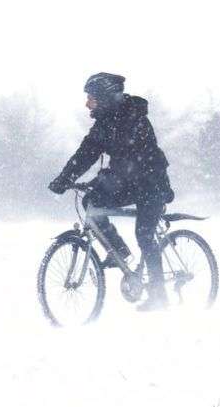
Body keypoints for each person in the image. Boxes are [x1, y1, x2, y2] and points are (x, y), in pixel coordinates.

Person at [48, 72, 175, 312]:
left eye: (91, 98)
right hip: (130, 184)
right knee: (91, 203)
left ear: (105, 97)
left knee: (145, 234)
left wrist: (102, 180)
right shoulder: (105, 123)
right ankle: (119, 251)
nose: (87, 103)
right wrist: (64, 179)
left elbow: (131, 163)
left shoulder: (133, 119)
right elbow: (85, 153)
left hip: (152, 184)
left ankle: (159, 295)